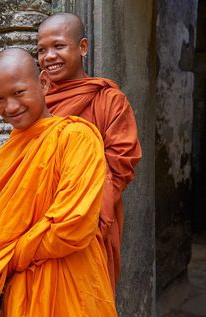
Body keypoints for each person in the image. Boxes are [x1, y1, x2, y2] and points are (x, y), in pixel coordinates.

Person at [0, 48, 118, 317]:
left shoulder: (77, 138)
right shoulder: (5, 157)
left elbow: (73, 226)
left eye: (19, 93)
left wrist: (12, 253)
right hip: (23, 294)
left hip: (75, 286)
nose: (10, 107)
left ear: (43, 84)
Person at [37, 12, 142, 293]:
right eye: (41, 50)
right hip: (39, 222)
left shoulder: (109, 100)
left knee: (87, 302)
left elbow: (121, 163)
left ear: (82, 47)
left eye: (58, 46)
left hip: (92, 220)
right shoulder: (35, 101)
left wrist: (80, 213)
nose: (49, 57)